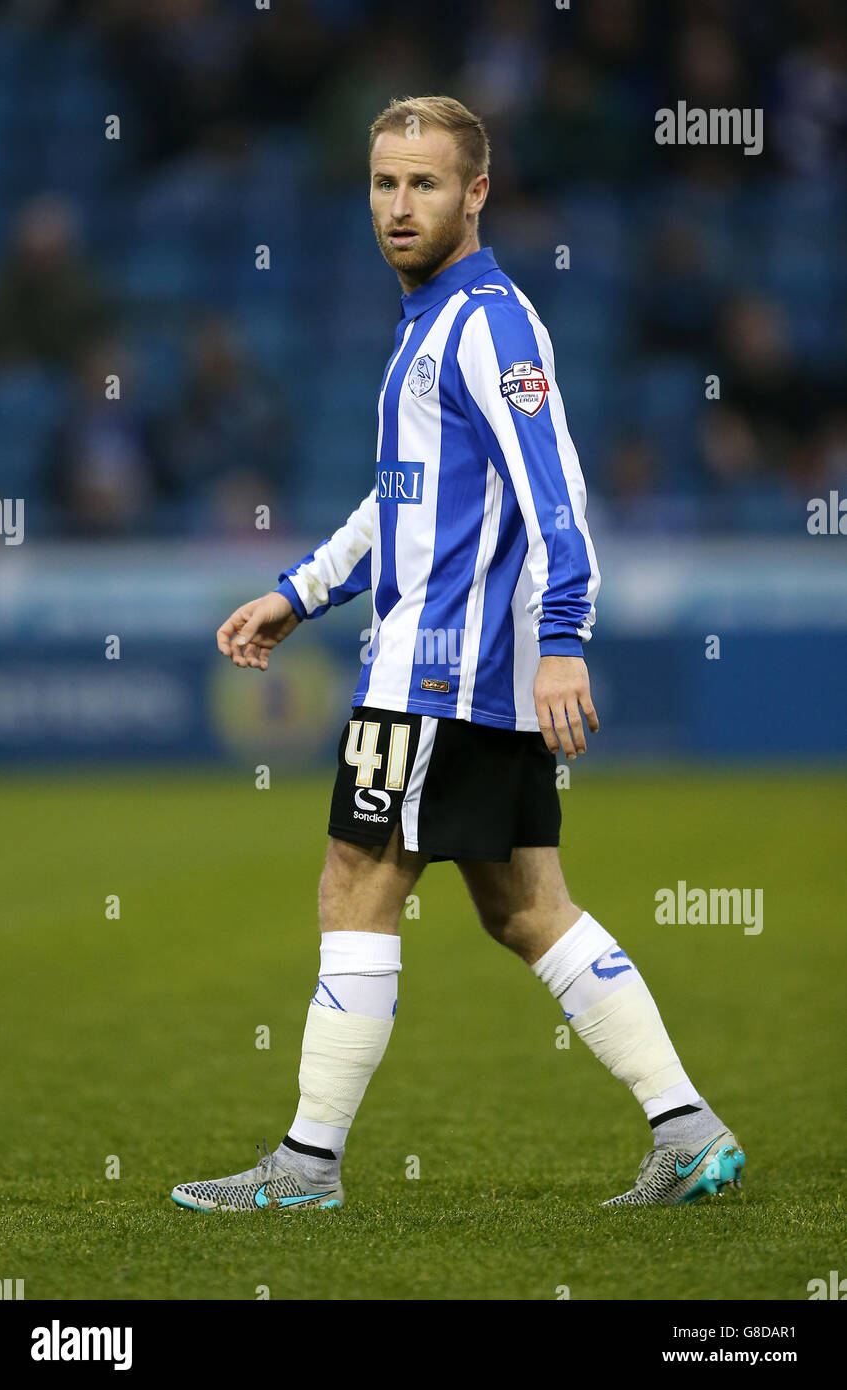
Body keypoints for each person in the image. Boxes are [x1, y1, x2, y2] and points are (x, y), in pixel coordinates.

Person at [171, 96, 744, 1214]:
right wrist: (302, 591)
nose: (399, 204)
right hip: (464, 678)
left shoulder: (486, 323)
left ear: (474, 193)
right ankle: (686, 1128)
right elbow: (408, 502)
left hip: (434, 677)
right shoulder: (433, 323)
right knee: (524, 904)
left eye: (424, 184)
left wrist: (564, 636)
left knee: (354, 882)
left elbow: (555, 491)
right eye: (384, 183)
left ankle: (304, 1167)